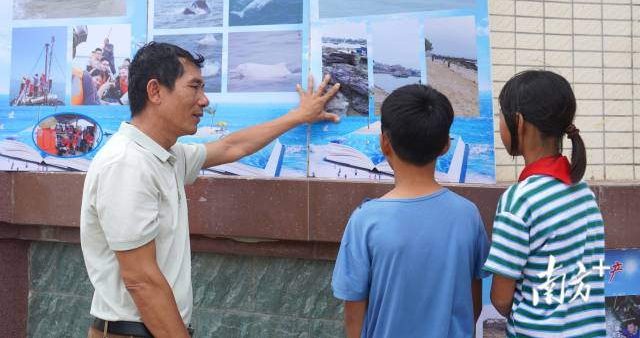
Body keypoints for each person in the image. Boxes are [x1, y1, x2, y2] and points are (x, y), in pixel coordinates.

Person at [80, 42, 340, 338]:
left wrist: (298, 115)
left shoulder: (165, 155)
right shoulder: (128, 163)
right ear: (155, 91)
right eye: (194, 88)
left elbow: (231, 146)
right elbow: (141, 280)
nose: (204, 101)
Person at [332, 84, 489, 338]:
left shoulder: (365, 220)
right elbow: (473, 303)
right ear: (446, 145)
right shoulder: (468, 215)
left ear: (384, 143)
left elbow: (353, 310)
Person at [482, 70, 605, 337]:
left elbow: (501, 299)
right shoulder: (585, 194)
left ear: (519, 123)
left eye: (500, 116)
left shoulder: (519, 200)